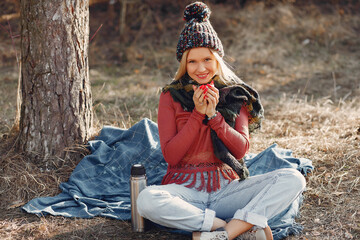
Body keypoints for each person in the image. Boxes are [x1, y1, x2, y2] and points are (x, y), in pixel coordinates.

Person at [137, 2, 306, 240]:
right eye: (192, 61)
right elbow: (171, 156)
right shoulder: (170, 95)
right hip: (186, 193)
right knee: (146, 199)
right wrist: (196, 114)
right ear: (184, 64)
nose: (200, 68)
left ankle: (230, 230)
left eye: (206, 59)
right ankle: (220, 227)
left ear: (217, 59)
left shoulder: (235, 94)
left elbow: (240, 149)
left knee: (293, 178)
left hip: (227, 190)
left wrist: (214, 116)